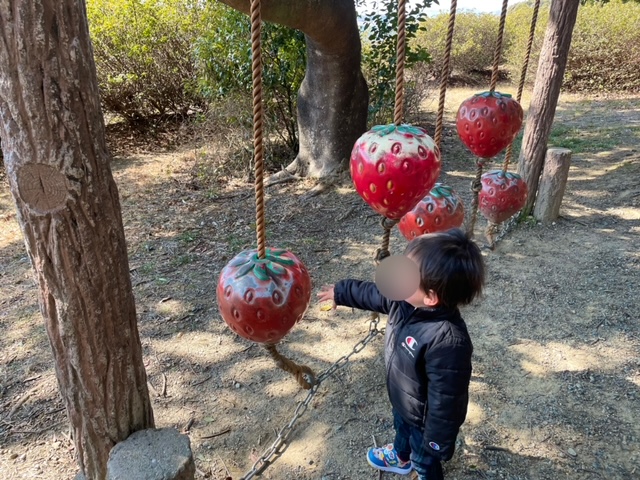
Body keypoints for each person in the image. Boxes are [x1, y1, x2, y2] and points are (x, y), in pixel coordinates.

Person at [317, 228, 485, 479]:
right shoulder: (403, 300)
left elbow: (448, 401)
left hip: (425, 423)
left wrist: (437, 442)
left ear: (430, 297)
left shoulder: (449, 342)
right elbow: (373, 294)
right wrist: (341, 292)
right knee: (401, 430)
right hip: (403, 399)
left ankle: (423, 470)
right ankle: (400, 456)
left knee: (424, 460)